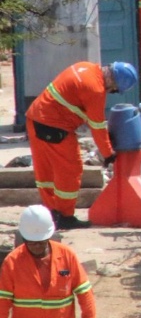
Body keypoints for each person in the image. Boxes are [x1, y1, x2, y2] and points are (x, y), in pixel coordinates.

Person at [26, 62, 135, 231]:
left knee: (45, 172)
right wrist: (108, 154)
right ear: (113, 82)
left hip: (35, 118)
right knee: (71, 170)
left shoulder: (85, 67)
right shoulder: (96, 89)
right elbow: (97, 125)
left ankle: (51, 213)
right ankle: (65, 216)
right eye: (113, 89)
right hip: (54, 127)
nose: (110, 92)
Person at [0, 205, 97, 318]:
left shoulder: (67, 255)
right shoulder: (12, 261)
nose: (37, 246)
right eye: (32, 243)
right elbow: (3, 300)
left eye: (41, 242)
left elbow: (84, 291)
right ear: (24, 238)